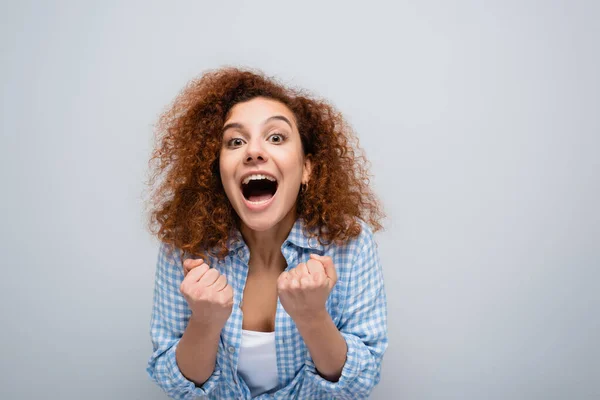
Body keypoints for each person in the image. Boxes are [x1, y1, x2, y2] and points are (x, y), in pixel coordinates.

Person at [145, 67, 388, 399]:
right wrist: (204, 322)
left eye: (276, 137)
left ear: (306, 169)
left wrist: (312, 316)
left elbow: (357, 385)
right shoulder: (185, 246)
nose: (253, 152)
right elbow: (177, 385)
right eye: (235, 141)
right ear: (216, 168)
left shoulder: (350, 245)